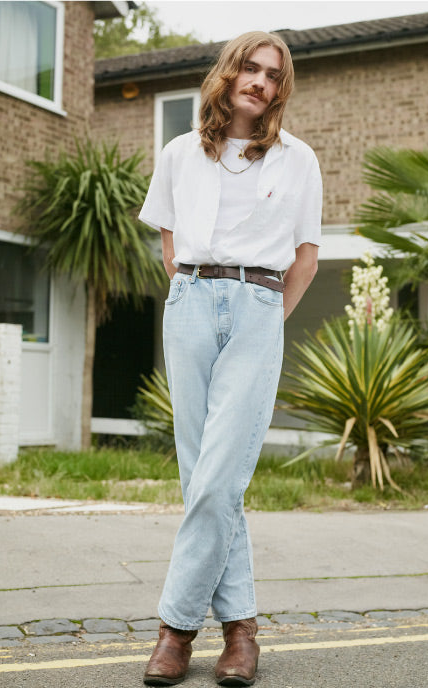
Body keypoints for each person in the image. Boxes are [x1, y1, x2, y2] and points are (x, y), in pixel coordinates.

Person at [139, 30, 322, 687]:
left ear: (280, 89)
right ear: (230, 73)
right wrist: (189, 295)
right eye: (252, 68)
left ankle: (175, 630)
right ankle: (241, 632)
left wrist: (266, 320)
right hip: (189, 302)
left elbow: (306, 257)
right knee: (203, 476)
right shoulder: (180, 153)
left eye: (274, 75)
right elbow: (168, 238)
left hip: (257, 307)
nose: (262, 82)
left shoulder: (298, 160)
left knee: (219, 476)